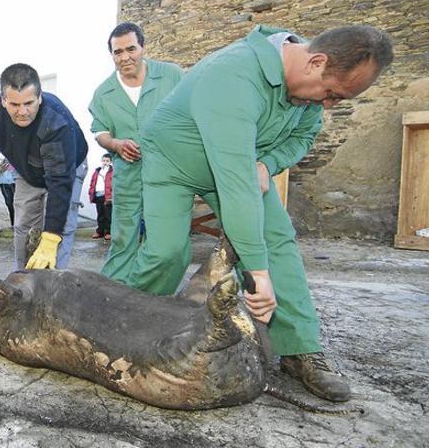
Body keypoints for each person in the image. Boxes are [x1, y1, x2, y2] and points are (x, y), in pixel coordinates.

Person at [129, 24, 394, 402]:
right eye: (332, 93)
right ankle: (123, 322)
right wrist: (257, 273)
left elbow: (301, 139)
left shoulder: (309, 98)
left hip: (240, 166)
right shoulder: (232, 74)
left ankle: (300, 347)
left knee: (278, 238)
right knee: (167, 252)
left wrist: (268, 163)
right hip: (172, 163)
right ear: (315, 61)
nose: (329, 105)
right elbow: (236, 183)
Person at [89, 22, 185, 281]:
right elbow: (100, 131)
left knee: (166, 241)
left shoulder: (171, 76)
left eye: (131, 49)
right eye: (117, 52)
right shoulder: (103, 93)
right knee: (122, 238)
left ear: (143, 47)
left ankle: (153, 292)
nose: (125, 57)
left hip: (168, 175)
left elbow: (191, 111)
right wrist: (116, 144)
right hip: (128, 175)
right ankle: (112, 295)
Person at [0, 63, 88, 270]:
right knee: (23, 225)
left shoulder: (55, 121)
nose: (22, 112)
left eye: (29, 103)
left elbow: (59, 183)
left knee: (59, 230)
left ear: (40, 97)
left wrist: (51, 236)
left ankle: (52, 287)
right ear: (3, 100)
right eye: (14, 105)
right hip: (27, 169)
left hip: (67, 168)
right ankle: (21, 283)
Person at [89, 153, 114, 240]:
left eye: (107, 161)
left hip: (107, 196)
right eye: (103, 160)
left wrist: (111, 195)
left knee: (108, 214)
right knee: (100, 214)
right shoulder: (97, 171)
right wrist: (91, 193)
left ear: (111, 162)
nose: (105, 162)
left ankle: (108, 231)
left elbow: (113, 184)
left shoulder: (112, 172)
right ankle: (100, 231)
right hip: (98, 194)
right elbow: (92, 182)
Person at [0, 163, 16, 227]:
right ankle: (13, 224)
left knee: (18, 203)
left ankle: (18, 224)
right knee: (9, 203)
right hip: (4, 182)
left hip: (15, 181)